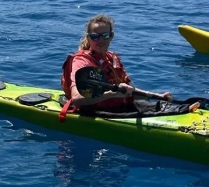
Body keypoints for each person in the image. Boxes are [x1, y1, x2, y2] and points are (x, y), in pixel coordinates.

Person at [61, 15, 200, 116]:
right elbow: (77, 100)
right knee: (170, 111)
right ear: (89, 38)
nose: (100, 40)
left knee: (165, 105)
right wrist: (110, 95)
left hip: (120, 106)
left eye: (105, 35)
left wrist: (157, 95)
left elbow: (128, 91)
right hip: (94, 111)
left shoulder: (112, 58)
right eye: (95, 36)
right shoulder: (82, 61)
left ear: (111, 36)